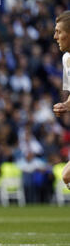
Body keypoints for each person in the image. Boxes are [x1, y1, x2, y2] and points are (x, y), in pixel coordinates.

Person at [52, 10, 70, 191]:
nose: (55, 36)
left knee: (67, 175)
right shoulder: (67, 60)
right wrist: (66, 105)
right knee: (66, 176)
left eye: (59, 32)